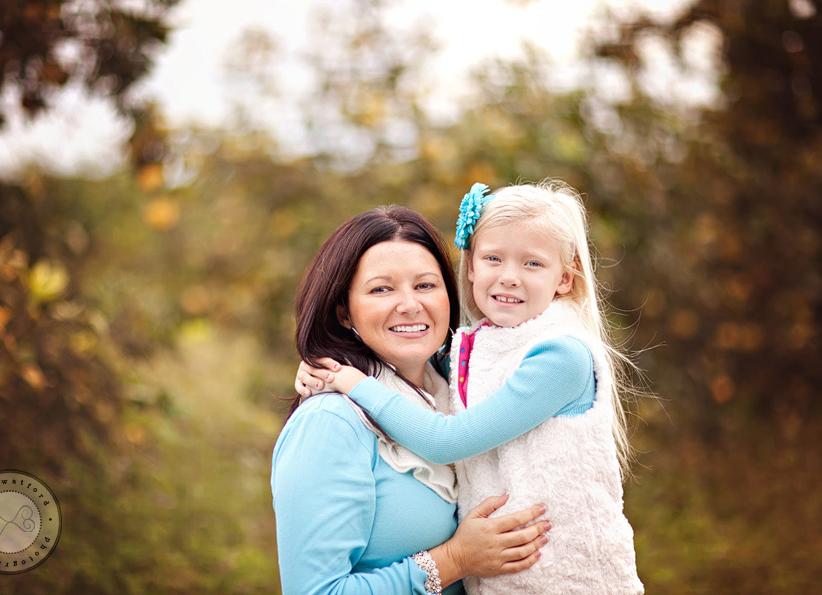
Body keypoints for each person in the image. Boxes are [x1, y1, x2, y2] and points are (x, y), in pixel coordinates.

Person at [304, 182, 644, 594]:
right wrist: (321, 366)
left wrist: (350, 381)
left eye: (533, 264)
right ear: (470, 267)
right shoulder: (476, 346)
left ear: (565, 280)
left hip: (566, 576)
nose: (509, 277)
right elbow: (406, 362)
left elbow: (446, 440)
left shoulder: (562, 356)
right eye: (493, 259)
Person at [272, 205, 552, 595]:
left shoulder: (465, 394)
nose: (409, 304)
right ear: (344, 313)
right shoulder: (331, 422)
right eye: (381, 289)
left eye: (425, 285)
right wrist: (455, 560)